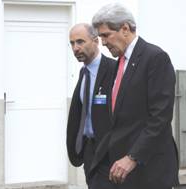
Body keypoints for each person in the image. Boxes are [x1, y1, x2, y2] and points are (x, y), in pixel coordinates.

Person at [90, 3, 179, 189]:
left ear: (125, 28)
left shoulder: (155, 58)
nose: (103, 42)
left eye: (105, 35)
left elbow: (160, 117)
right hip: (121, 170)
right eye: (100, 37)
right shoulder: (119, 63)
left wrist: (132, 157)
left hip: (148, 169)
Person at [66, 23, 116, 188]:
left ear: (96, 41)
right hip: (90, 151)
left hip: (109, 152)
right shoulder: (84, 73)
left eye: (80, 42)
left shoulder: (113, 70)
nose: (75, 48)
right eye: (72, 43)